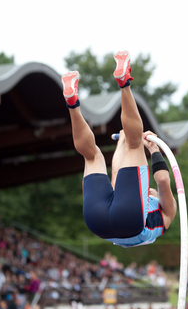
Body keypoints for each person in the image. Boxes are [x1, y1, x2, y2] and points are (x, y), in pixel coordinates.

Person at [62, 50, 177, 247]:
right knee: (92, 157)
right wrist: (123, 141)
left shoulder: (167, 214)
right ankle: (72, 105)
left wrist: (152, 150)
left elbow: (163, 179)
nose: (150, 191)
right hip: (99, 223)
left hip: (128, 220)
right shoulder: (153, 215)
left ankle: (124, 83)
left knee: (133, 146)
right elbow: (117, 173)